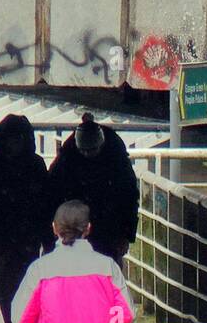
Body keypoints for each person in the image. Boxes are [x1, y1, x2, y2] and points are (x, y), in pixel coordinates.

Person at [0, 114, 52, 323]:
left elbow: (45, 204)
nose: (14, 144)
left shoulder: (34, 164)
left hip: (23, 238)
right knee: (6, 291)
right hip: (0, 238)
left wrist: (46, 238)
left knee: (21, 289)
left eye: (19, 138)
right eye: (11, 138)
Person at [44, 113, 139, 266]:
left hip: (101, 230)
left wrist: (126, 235)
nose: (88, 154)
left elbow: (129, 198)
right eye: (84, 151)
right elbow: (51, 195)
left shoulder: (115, 162)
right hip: (96, 228)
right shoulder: (68, 162)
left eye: (91, 150)